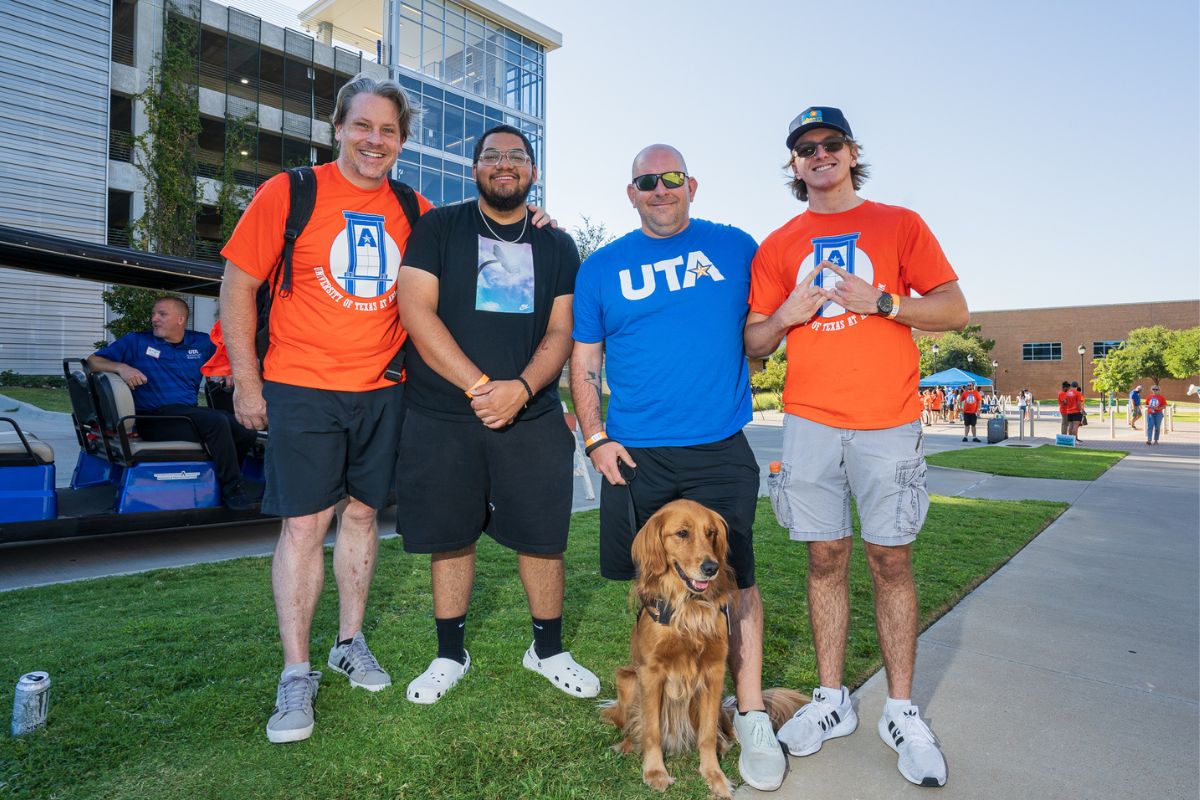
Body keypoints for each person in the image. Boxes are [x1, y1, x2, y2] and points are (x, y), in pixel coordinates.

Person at [745, 106, 968, 788]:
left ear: (851, 152)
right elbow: (754, 343)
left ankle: (900, 709)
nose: (819, 154)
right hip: (809, 420)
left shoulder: (899, 224)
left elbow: (955, 309)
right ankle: (832, 699)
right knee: (824, 558)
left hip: (886, 420)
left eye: (830, 144)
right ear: (794, 164)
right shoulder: (780, 243)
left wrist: (885, 303)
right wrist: (789, 314)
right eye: (805, 148)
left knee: (891, 560)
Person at [219, 74, 435, 744]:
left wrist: (536, 219)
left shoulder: (415, 207)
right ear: (338, 127)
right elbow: (237, 286)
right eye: (363, 127)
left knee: (365, 515)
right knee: (306, 524)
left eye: (389, 131)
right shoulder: (290, 192)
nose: (375, 141)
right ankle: (296, 670)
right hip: (301, 383)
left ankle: (349, 641)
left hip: (383, 387)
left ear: (402, 140)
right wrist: (247, 384)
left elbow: (478, 250)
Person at [569, 144, 788, 791]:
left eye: (670, 179)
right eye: (646, 181)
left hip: (720, 444)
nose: (660, 189)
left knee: (737, 585)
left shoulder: (735, 247)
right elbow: (586, 358)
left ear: (691, 184)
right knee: (650, 585)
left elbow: (760, 331)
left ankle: (747, 717)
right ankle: (657, 712)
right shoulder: (603, 267)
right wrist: (596, 438)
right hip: (636, 452)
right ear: (630, 193)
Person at [394, 124, 599, 707]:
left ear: (532, 172)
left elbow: (564, 328)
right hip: (442, 412)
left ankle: (549, 649)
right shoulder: (438, 228)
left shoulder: (556, 244)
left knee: (541, 537)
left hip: (530, 415)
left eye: (516, 156)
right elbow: (416, 310)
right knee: (451, 536)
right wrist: (483, 387)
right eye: (491, 156)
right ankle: (448, 654)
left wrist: (524, 388)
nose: (503, 164)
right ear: (475, 167)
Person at [88, 296, 256, 510]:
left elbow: (230, 355)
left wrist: (230, 369)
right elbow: (93, 361)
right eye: (154, 314)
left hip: (185, 414)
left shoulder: (201, 343)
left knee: (246, 428)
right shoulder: (136, 342)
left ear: (181, 319)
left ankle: (221, 477)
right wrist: (122, 368)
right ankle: (232, 490)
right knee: (217, 422)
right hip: (152, 418)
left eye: (162, 314)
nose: (154, 319)